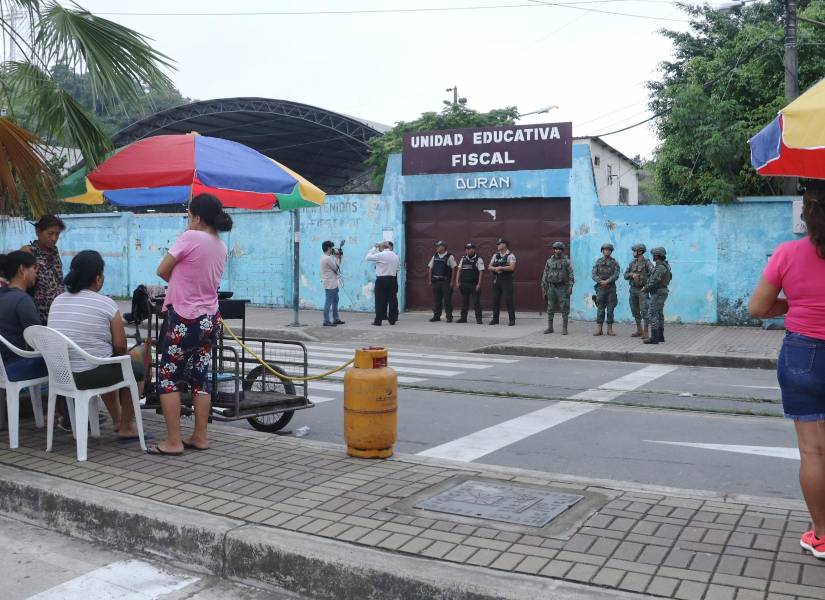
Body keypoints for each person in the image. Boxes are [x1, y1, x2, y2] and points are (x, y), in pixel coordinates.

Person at [749, 181, 825, 559]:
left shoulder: (788, 253)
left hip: (803, 355)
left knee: (813, 452)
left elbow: (758, 307)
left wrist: (794, 306)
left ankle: (822, 535)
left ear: (807, 218)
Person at [150, 193, 231, 455]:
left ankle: (173, 441)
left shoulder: (190, 237)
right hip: (210, 319)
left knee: (168, 378)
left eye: (189, 216)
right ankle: (200, 436)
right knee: (200, 379)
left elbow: (162, 270)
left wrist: (180, 279)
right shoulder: (220, 245)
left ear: (196, 217)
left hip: (185, 317)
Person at [48, 250, 143, 440]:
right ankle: (125, 426)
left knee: (106, 360)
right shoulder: (106, 303)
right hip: (86, 376)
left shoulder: (57, 301)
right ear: (98, 278)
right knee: (137, 365)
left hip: (60, 375)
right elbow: (120, 347)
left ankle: (117, 420)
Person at [0, 251, 47, 382]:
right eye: (34, 268)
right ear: (22, 269)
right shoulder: (22, 300)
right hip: (14, 366)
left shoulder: (2, 294)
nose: (36, 273)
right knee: (64, 364)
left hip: (3, 366)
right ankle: (62, 402)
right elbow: (38, 339)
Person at [22, 215, 66, 323]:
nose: (54, 238)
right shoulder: (28, 251)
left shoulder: (54, 252)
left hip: (57, 313)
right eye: (50, 234)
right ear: (38, 232)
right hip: (38, 315)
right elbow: (19, 284)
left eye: (57, 234)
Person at [541, 241, 574, 335]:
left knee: (564, 308)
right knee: (550, 308)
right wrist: (544, 288)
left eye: (559, 249)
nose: (557, 250)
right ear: (553, 250)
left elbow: (571, 275)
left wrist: (570, 286)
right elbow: (545, 275)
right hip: (551, 287)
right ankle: (550, 327)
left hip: (562, 288)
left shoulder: (566, 261)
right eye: (556, 249)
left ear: (562, 250)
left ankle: (564, 328)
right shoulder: (549, 261)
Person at [624, 243, 654, 338]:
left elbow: (653, 275)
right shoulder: (632, 263)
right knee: (634, 309)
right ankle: (639, 329)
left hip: (642, 290)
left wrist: (645, 283)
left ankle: (646, 331)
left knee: (644, 310)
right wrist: (632, 275)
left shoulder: (647, 263)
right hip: (633, 290)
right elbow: (625, 275)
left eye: (635, 251)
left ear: (640, 251)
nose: (633, 253)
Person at [366, 241, 400, 326]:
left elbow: (367, 257)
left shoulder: (381, 255)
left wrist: (374, 247)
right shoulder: (395, 256)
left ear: (382, 247)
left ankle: (378, 320)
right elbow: (398, 269)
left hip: (382, 280)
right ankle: (392, 319)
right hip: (393, 279)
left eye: (379, 248)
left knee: (380, 300)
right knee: (393, 300)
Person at [642, 247, 671, 345]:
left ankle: (654, 338)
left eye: (654, 255)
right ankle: (660, 336)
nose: (653, 257)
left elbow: (654, 281)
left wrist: (645, 288)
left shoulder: (660, 267)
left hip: (658, 292)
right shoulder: (664, 266)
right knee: (659, 313)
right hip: (661, 291)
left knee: (652, 313)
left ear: (657, 255)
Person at [591, 242, 620, 336]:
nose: (607, 251)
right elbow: (593, 274)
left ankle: (609, 329)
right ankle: (599, 329)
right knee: (600, 308)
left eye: (608, 250)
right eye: (605, 250)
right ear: (602, 251)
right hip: (600, 288)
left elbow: (616, 274)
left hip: (611, 288)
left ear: (611, 251)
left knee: (610, 309)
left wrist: (607, 281)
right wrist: (600, 281)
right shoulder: (598, 262)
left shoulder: (614, 262)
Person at [453, 242, 485, 324]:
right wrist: (457, 281)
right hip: (464, 284)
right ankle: (463, 318)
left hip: (474, 284)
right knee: (464, 302)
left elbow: (481, 272)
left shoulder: (478, 259)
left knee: (476, 302)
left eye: (469, 249)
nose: (467, 250)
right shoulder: (463, 258)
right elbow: (459, 270)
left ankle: (479, 319)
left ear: (473, 249)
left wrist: (479, 284)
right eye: (466, 249)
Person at [489, 238, 517, 326]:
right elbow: (489, 266)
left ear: (504, 245)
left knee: (508, 300)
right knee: (495, 300)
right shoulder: (495, 255)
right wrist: (495, 269)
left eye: (499, 244)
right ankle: (495, 319)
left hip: (506, 280)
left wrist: (501, 268)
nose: (497, 245)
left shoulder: (511, 255)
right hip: (497, 279)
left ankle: (512, 320)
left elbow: (512, 267)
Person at [427, 241, 457, 322]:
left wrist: (452, 282)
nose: (436, 248)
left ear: (443, 247)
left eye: (438, 246)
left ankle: (449, 317)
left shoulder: (449, 257)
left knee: (447, 300)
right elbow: (430, 268)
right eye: (436, 246)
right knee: (437, 300)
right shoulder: (435, 256)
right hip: (436, 281)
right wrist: (430, 280)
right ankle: (436, 316)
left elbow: (454, 268)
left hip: (445, 281)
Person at [320, 241, 344, 327]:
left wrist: (336, 256)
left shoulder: (323, 257)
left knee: (335, 301)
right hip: (330, 284)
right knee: (328, 302)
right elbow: (335, 268)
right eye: (332, 248)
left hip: (332, 283)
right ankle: (326, 321)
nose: (333, 250)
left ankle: (336, 319)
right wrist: (337, 258)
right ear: (329, 248)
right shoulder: (327, 258)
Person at [387, 241, 400, 325]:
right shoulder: (382, 256)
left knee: (393, 299)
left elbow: (397, 269)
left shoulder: (395, 256)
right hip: (387, 279)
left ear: (391, 247)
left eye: (387, 246)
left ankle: (394, 316)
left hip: (392, 279)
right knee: (384, 299)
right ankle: (384, 315)